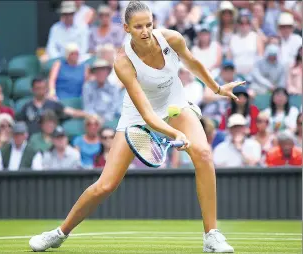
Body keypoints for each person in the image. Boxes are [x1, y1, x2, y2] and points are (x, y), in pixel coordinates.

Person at [29, 1, 245, 252]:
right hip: (139, 115)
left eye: (149, 25)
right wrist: (174, 133)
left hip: (175, 103)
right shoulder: (123, 62)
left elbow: (192, 62)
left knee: (204, 154)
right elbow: (146, 112)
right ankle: (58, 233)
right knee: (106, 185)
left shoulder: (171, 39)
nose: (145, 31)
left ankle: (211, 235)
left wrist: (217, 88)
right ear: (126, 28)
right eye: (138, 26)